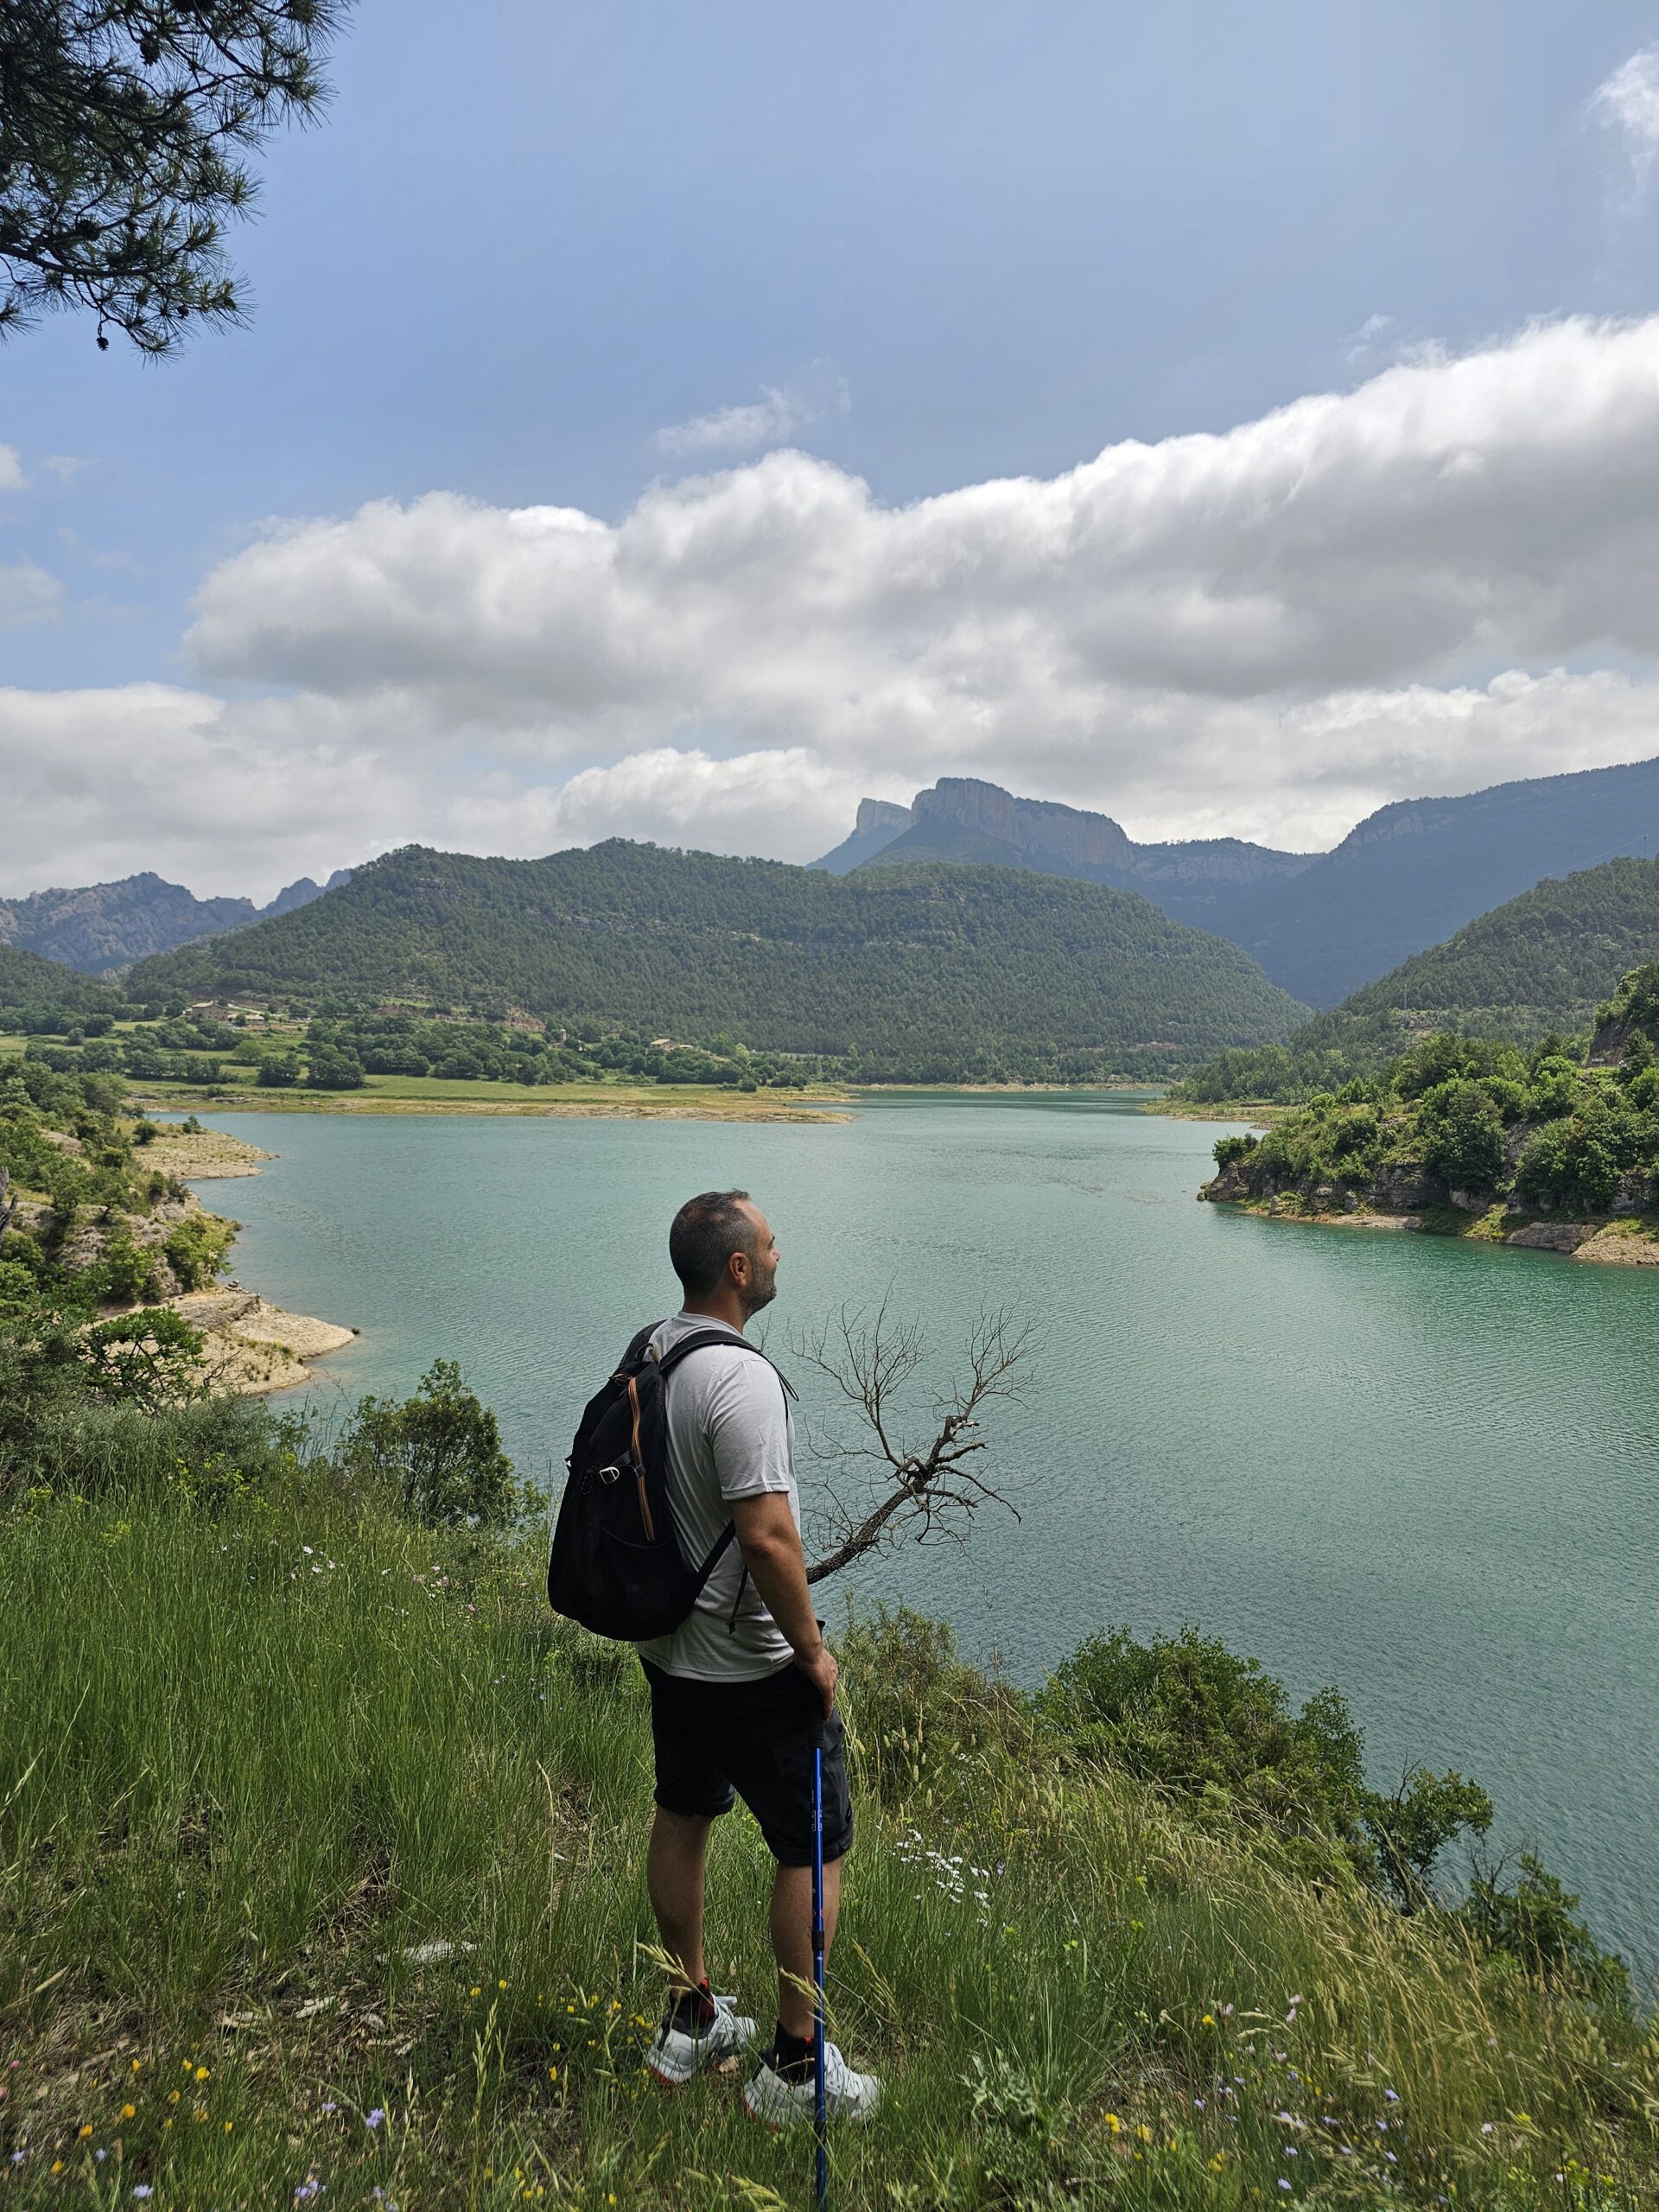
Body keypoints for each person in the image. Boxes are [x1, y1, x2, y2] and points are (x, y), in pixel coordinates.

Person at [639, 1188, 880, 2126]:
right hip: (748, 1663)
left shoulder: (652, 1349)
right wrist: (811, 1653)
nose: (781, 1256)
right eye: (771, 1244)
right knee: (812, 1846)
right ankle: (793, 2064)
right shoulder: (741, 1378)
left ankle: (691, 2015)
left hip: (670, 1649)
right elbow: (770, 1538)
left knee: (684, 1812)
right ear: (738, 1268)